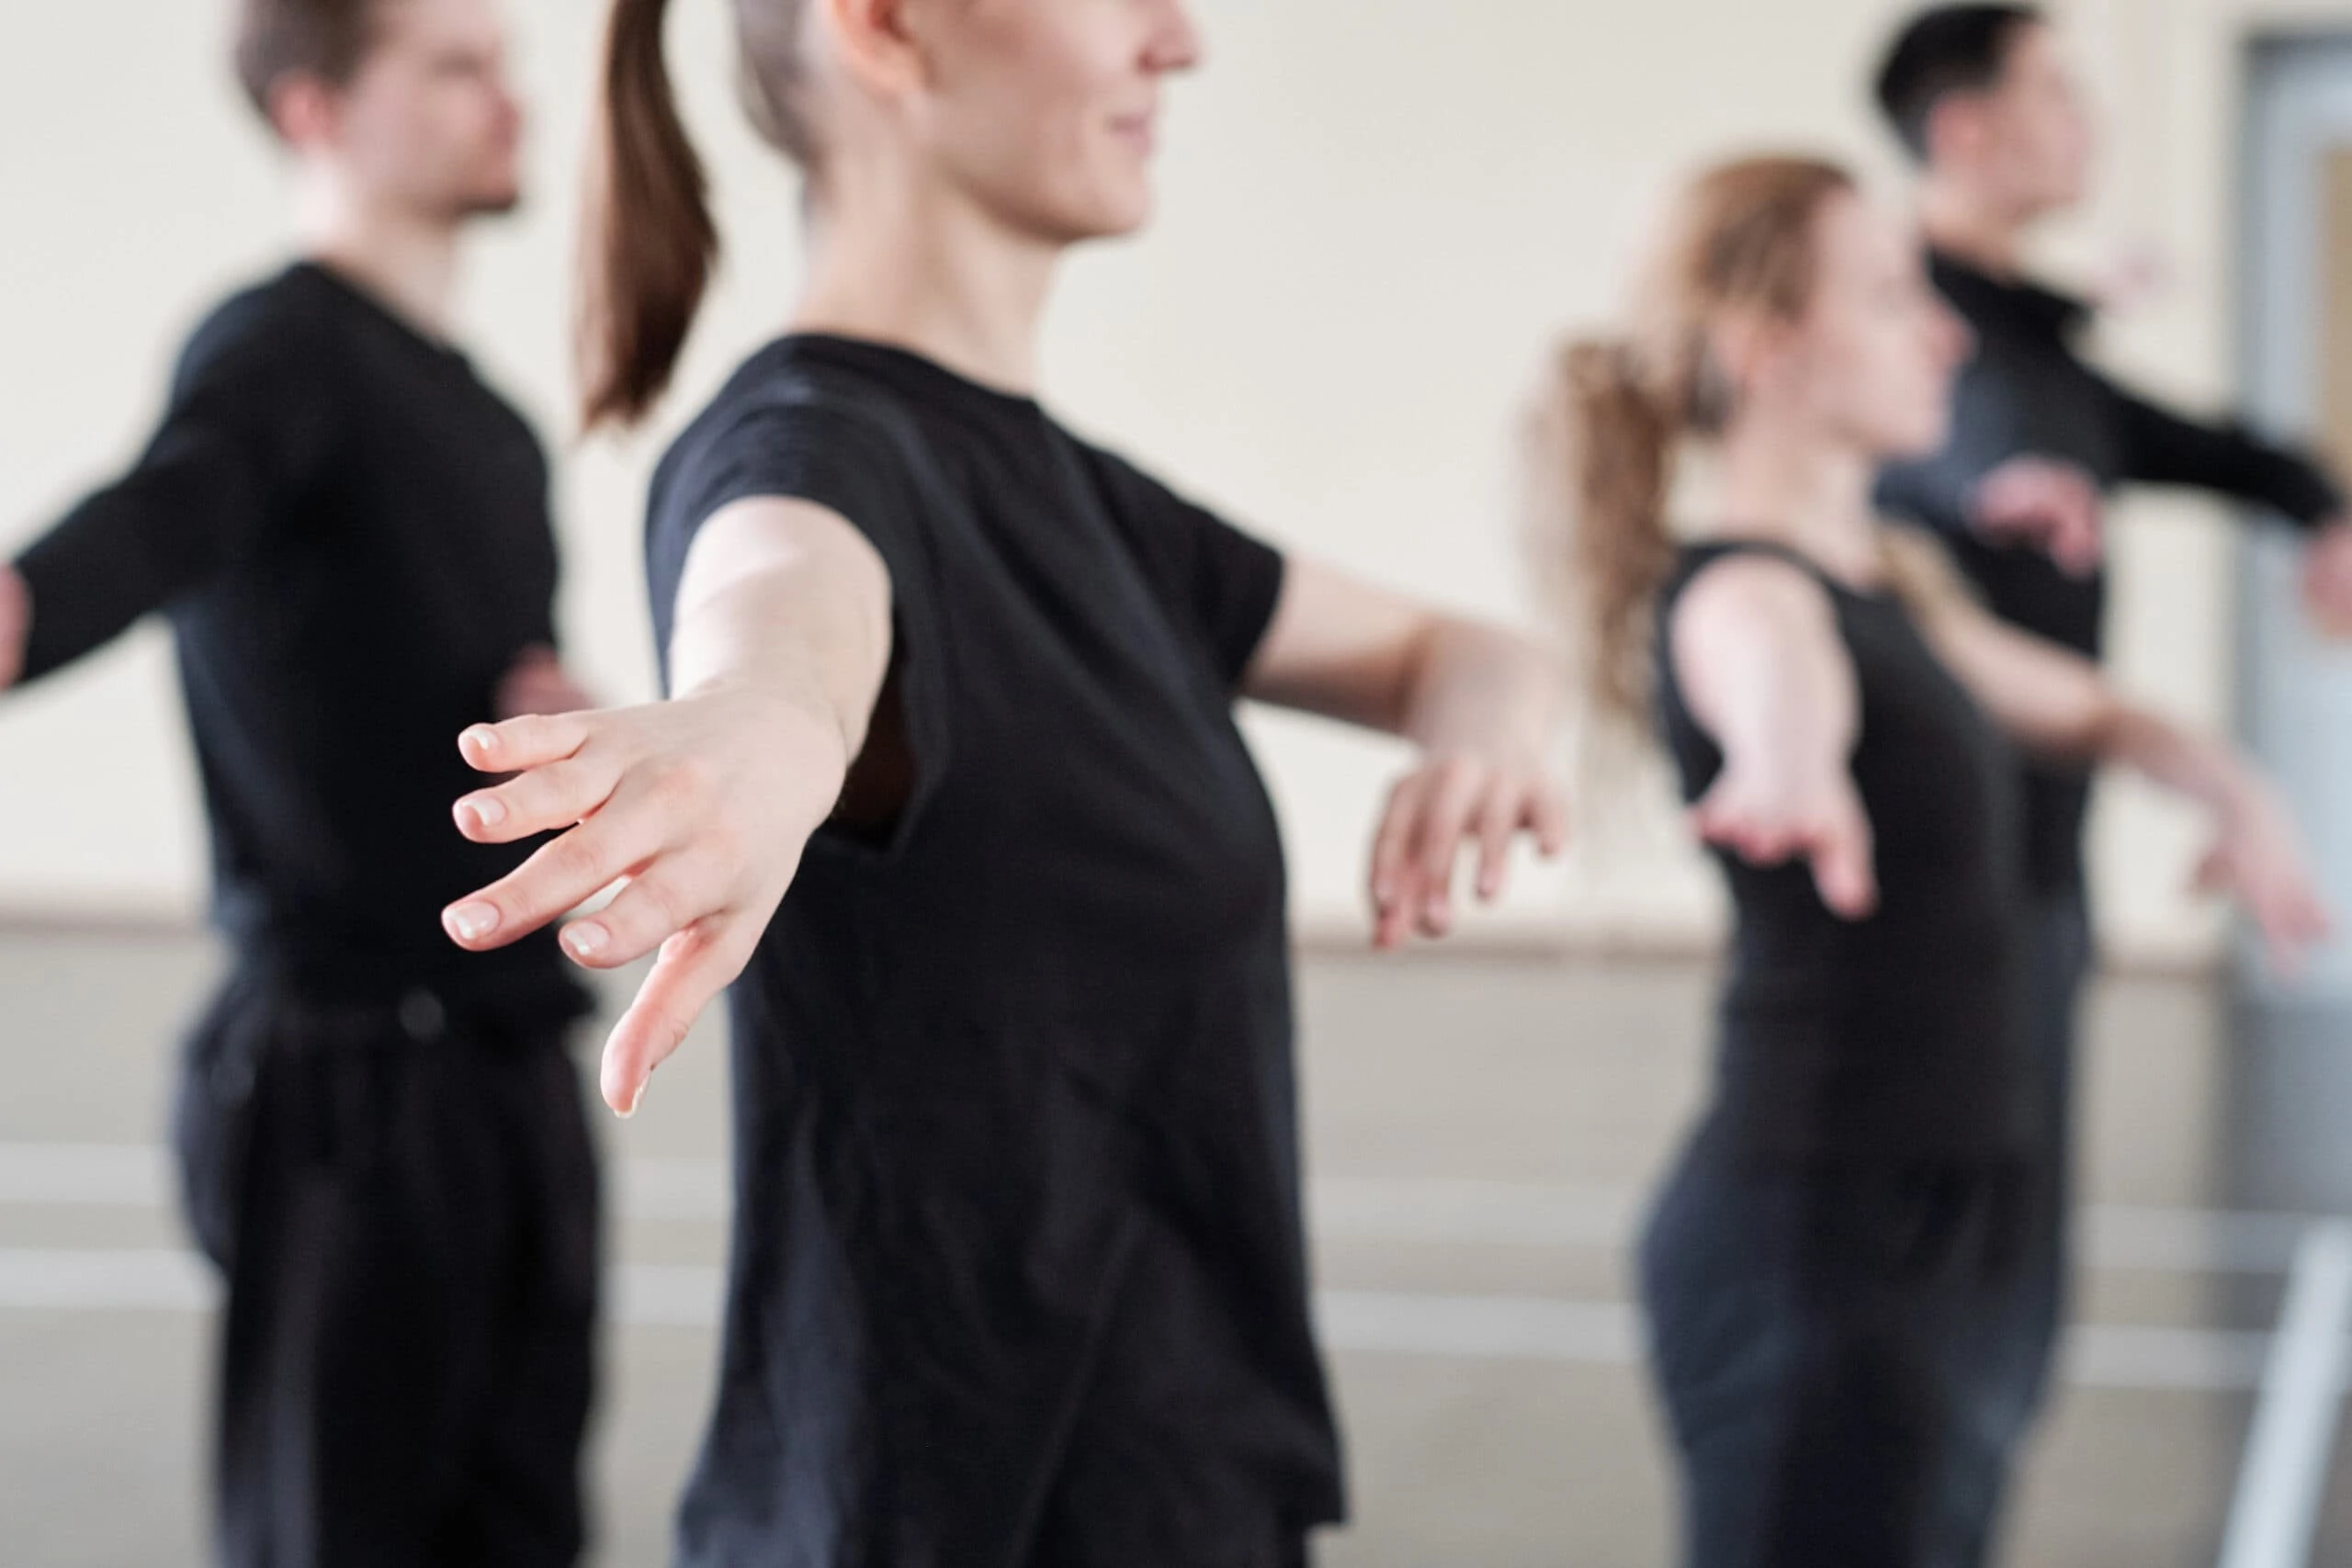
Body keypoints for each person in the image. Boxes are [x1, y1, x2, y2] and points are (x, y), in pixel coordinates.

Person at [438, 0, 1567, 1562]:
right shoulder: (809, 446)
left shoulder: (1092, 504)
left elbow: (1466, 649)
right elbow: (788, 600)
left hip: (1181, 1486)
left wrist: (1489, 721)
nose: (1179, 43)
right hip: (942, 1513)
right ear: (889, 30)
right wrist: (765, 716)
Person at [1530, 154, 2329, 1567]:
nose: (1947, 331)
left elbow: (2085, 708)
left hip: (1939, 1226)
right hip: (1815, 1253)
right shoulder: (1743, 587)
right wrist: (1785, 762)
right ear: (1770, 352)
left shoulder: (1889, 581)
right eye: (1897, 297)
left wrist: (2233, 785)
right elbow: (1769, 667)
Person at [0, 2, 600, 1562]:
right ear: (317, 112)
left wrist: (569, 729)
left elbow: (483, 693)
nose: (507, 98)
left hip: (512, 1073)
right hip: (352, 1093)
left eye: (504, 65)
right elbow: (157, 518)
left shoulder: (490, 425)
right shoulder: (281, 347)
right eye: (456, 67)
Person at [1872, 2, 2352, 1461]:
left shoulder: (2031, 335)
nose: (2091, 122)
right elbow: (1926, 456)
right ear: (1965, 129)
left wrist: (2318, 504)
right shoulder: (1920, 332)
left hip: (2038, 857)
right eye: (2056, 93)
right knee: (1934, 1272)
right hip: (1932, 866)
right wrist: (1981, 491)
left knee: (2012, 1271)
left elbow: (2196, 443)